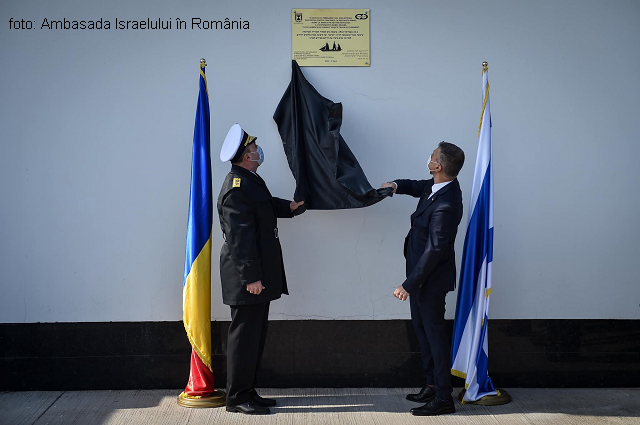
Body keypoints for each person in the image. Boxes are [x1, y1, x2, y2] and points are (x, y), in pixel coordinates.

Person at [217, 124, 304, 415]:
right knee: (243, 338)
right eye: (254, 150)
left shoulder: (250, 179)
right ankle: (237, 398)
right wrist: (251, 277)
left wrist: (289, 207)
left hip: (256, 275)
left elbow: (264, 207)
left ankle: (248, 391)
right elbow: (240, 238)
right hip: (247, 277)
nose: (258, 152)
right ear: (246, 157)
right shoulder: (236, 188)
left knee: (254, 336)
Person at [381, 141, 465, 416]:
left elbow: (435, 250)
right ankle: (430, 383)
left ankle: (443, 397)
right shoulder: (436, 186)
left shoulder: (448, 203)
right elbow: (416, 186)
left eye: (431, 158)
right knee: (423, 333)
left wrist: (408, 284)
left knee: (434, 337)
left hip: (428, 280)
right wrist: (395, 185)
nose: (427, 161)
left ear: (438, 166)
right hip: (419, 276)